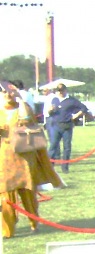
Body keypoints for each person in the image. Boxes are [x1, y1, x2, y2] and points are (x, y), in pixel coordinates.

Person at [0, 83, 63, 238]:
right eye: (4, 92)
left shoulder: (24, 107)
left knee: (28, 191)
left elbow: (28, 121)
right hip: (5, 156)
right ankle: (8, 229)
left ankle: (34, 222)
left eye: (10, 92)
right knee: (6, 194)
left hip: (24, 156)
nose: (8, 95)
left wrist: (21, 102)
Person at [48, 83, 89, 173]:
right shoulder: (54, 99)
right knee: (53, 146)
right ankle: (50, 167)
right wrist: (50, 110)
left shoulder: (71, 100)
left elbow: (84, 108)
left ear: (65, 90)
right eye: (59, 91)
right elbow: (51, 113)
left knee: (66, 148)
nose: (60, 92)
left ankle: (65, 167)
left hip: (67, 126)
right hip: (55, 125)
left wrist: (76, 116)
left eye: (62, 90)